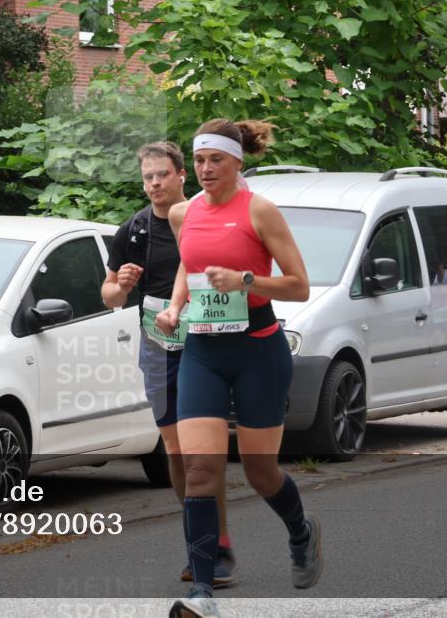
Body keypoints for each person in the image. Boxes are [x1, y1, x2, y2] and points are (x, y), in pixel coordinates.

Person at [156, 119, 321, 618]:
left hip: (257, 349)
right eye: (200, 160)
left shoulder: (260, 212)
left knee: (259, 470)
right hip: (202, 352)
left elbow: (299, 285)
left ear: (237, 163)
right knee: (200, 466)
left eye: (216, 160)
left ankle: (301, 529)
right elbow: (190, 263)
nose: (205, 169)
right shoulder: (183, 214)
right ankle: (202, 592)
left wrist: (247, 279)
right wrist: (175, 306)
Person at [101, 142, 236, 587]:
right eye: (147, 177)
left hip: (205, 341)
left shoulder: (207, 218)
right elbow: (109, 296)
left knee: (202, 450)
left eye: (161, 174)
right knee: (177, 451)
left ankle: (215, 546)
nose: (154, 183)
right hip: (158, 345)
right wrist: (120, 285)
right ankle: (200, 539)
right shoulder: (134, 230)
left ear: (181, 175)